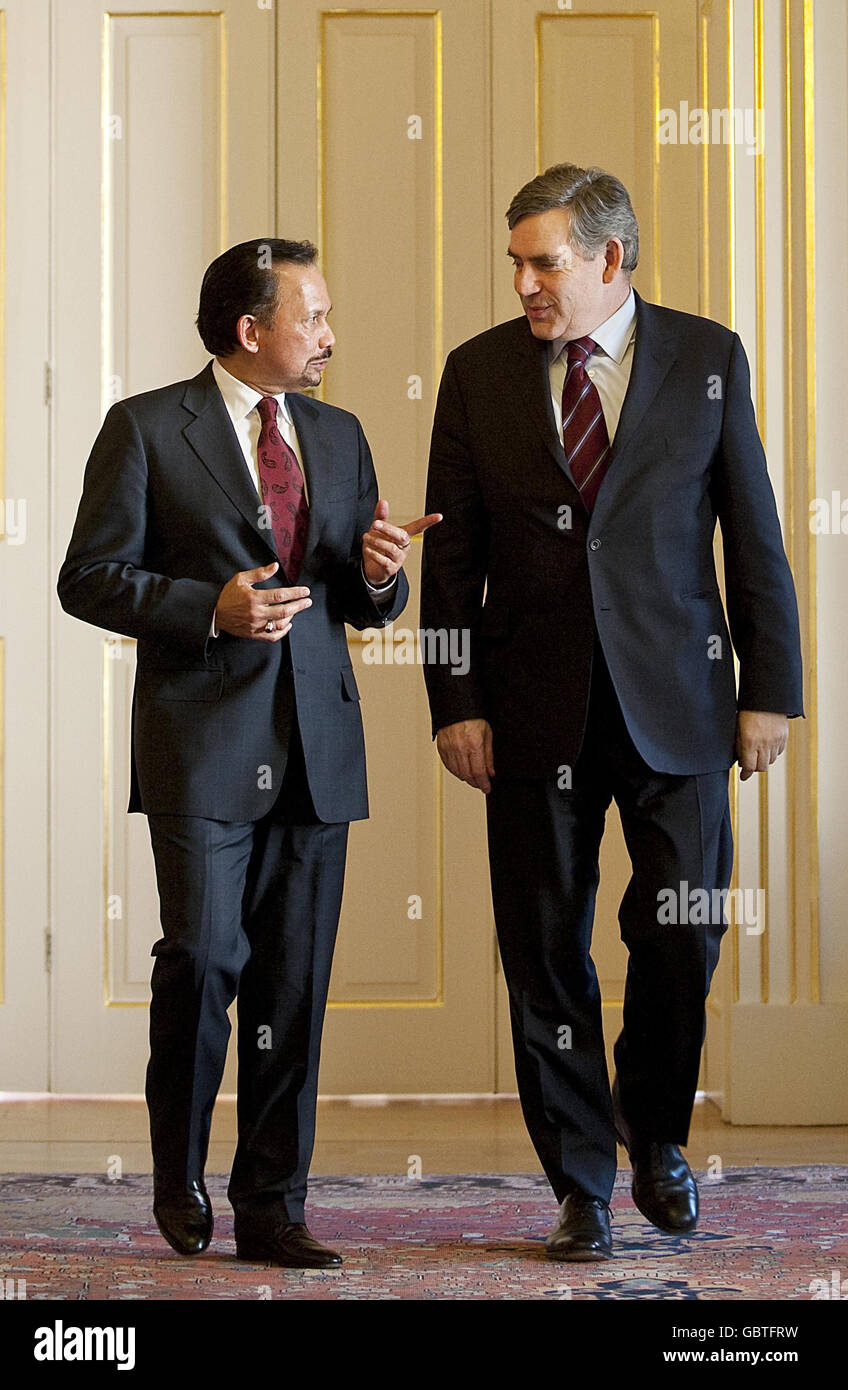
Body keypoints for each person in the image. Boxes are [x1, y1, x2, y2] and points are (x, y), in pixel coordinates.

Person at [420, 165, 802, 1261]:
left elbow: (753, 535)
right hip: (530, 711)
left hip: (682, 703)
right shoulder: (477, 372)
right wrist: (456, 698)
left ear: (608, 259)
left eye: (544, 262)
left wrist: (769, 690)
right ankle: (581, 1180)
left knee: (681, 932)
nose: (526, 283)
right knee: (544, 949)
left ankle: (658, 1136)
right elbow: (451, 566)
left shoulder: (708, 358)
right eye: (517, 264)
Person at [58, 238, 438, 1267]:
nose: (328, 335)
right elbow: (87, 577)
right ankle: (178, 1170)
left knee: (293, 983)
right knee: (206, 956)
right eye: (311, 315)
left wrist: (383, 574)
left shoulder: (341, 433)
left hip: (318, 747)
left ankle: (274, 1207)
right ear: (250, 330)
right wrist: (208, 607)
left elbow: (359, 602)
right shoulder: (144, 429)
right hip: (200, 745)